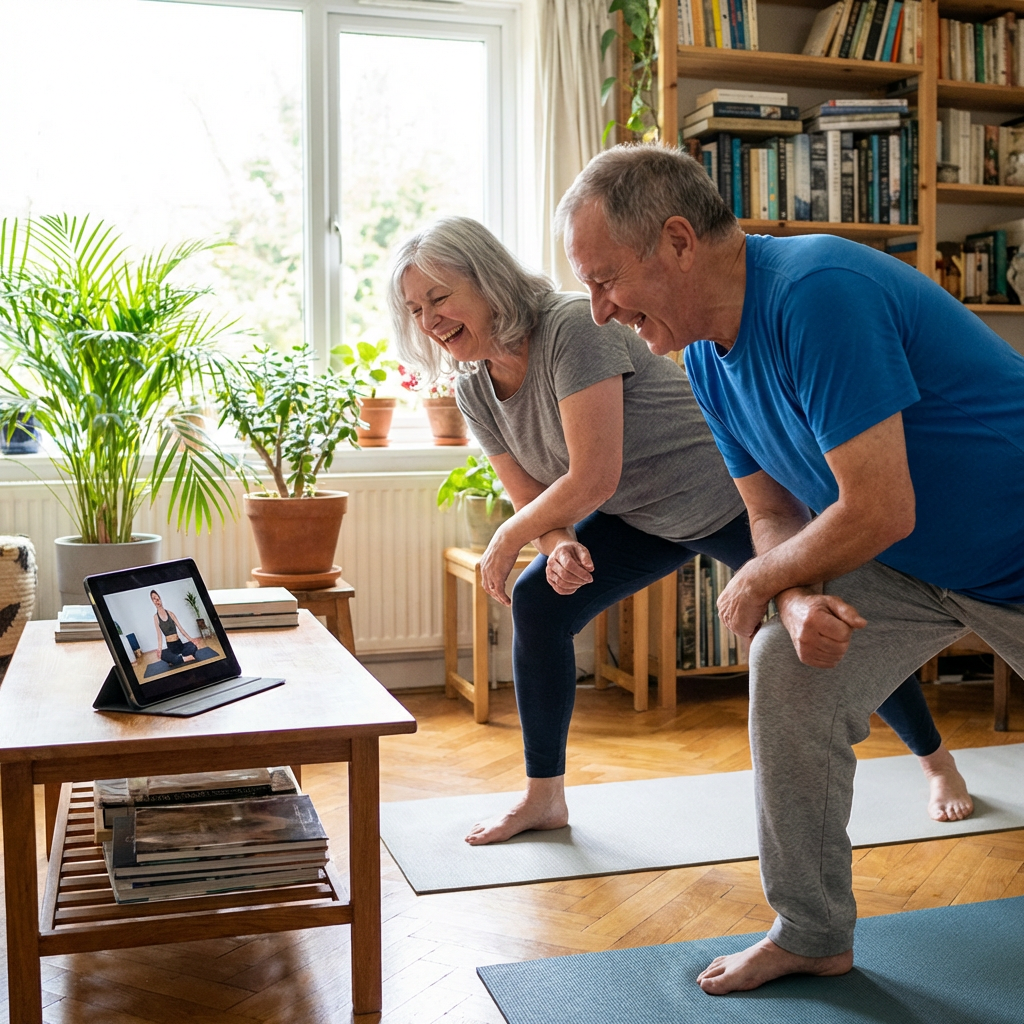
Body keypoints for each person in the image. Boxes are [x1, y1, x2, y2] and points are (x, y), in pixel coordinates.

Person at [555, 143, 1024, 995]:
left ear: (676, 240)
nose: (597, 311)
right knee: (789, 662)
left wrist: (758, 581)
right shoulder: (702, 355)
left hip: (1013, 545)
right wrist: (798, 596)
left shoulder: (816, 293)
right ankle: (811, 931)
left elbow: (880, 506)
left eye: (605, 279)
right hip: (916, 563)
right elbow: (772, 512)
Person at [387, 215, 968, 848]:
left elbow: (592, 477)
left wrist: (507, 539)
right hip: (641, 517)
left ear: (487, 278)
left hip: (730, 499)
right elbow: (533, 498)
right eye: (415, 308)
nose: (428, 320)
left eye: (438, 298)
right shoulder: (474, 386)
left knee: (822, 623)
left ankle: (937, 763)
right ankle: (543, 797)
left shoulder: (574, 326)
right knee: (538, 600)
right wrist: (558, 547)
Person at [150, 590, 200, 667]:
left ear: (160, 598)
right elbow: (159, 636)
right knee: (163, 655)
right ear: (152, 602)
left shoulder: (170, 613)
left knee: (193, 647)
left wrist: (191, 639)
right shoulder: (155, 617)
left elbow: (181, 629)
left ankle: (178, 659)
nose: (157, 600)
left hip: (179, 644)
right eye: (154, 599)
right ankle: (184, 658)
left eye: (157, 598)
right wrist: (159, 649)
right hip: (171, 647)